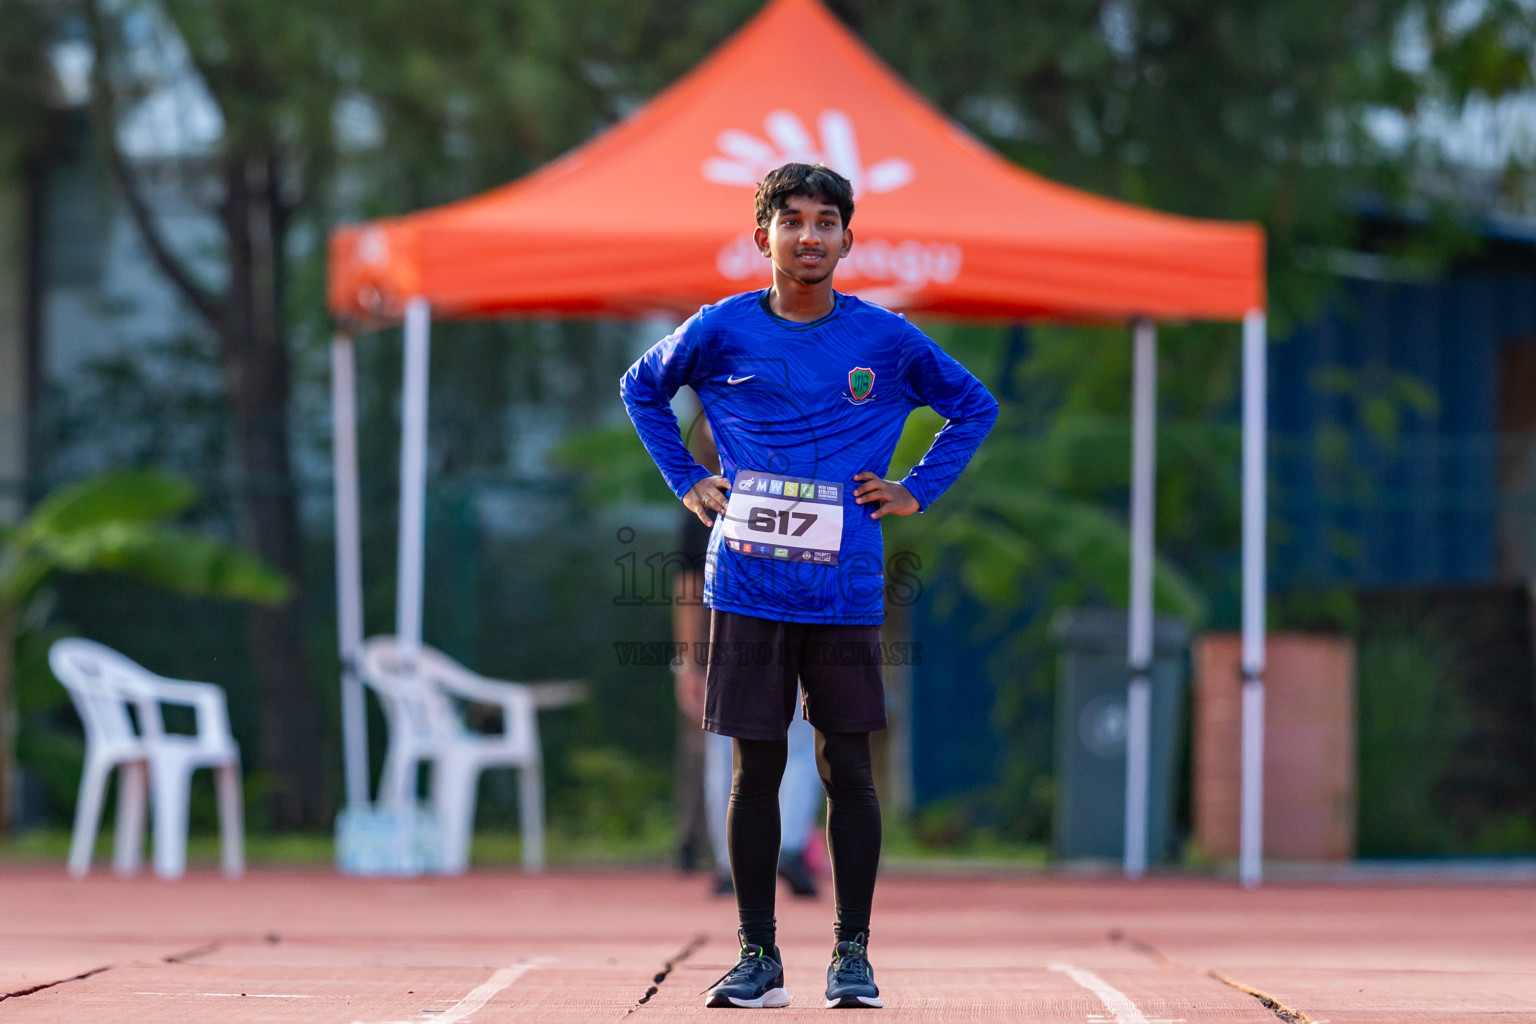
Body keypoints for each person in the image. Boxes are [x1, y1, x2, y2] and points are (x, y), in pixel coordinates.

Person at [621, 162, 997, 1009]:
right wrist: (687, 478)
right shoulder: (720, 328)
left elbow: (973, 405)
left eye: (827, 221)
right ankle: (758, 957)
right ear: (763, 238)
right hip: (748, 588)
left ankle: (851, 956)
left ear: (847, 238)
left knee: (848, 771)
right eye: (791, 221)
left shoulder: (885, 339)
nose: (810, 235)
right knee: (754, 775)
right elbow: (640, 388)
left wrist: (914, 488)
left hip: (846, 590)